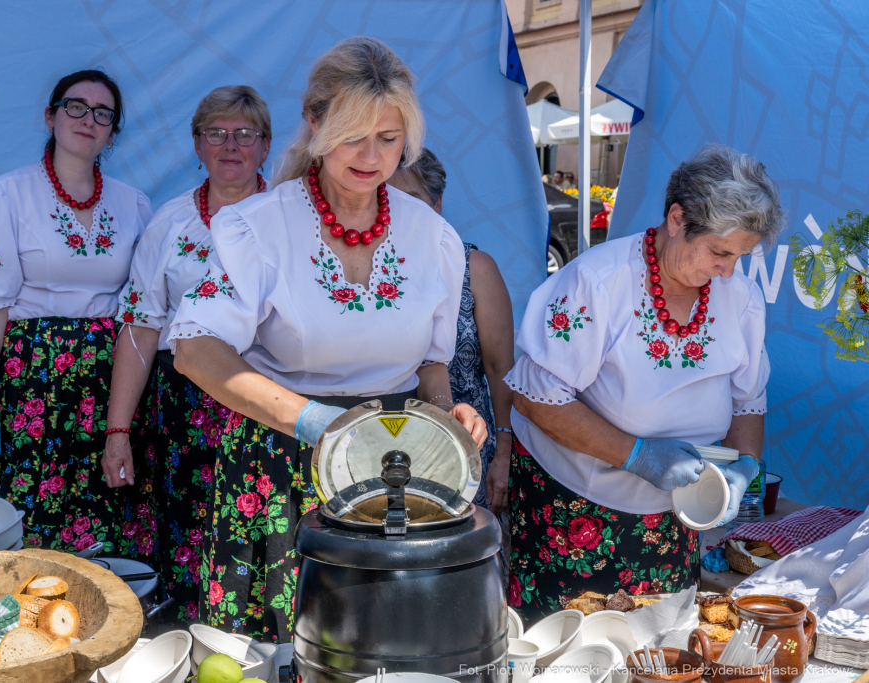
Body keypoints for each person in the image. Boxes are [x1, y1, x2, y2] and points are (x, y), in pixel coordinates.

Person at [167, 37, 487, 641]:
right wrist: (314, 421)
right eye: (352, 136)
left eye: (388, 139)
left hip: (392, 467)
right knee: (274, 649)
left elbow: (431, 366)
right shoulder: (259, 227)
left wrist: (447, 421)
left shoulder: (431, 236)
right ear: (314, 123)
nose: (371, 156)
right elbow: (194, 349)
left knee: (381, 646)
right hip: (279, 462)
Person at [505, 144, 782, 621]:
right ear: (677, 218)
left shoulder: (740, 299)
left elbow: (748, 401)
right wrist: (637, 455)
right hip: (573, 509)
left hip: (675, 517)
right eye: (720, 252)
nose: (728, 270)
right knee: (566, 644)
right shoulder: (598, 282)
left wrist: (745, 465)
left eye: (740, 256)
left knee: (660, 644)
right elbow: (537, 397)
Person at [0, 70, 152, 552]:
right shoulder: (8, 195)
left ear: (112, 132)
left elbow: (141, 312)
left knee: (101, 520)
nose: (88, 119)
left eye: (103, 113)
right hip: (31, 377)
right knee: (22, 521)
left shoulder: (133, 205)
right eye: (76, 106)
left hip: (108, 381)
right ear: (50, 117)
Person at [101, 86, 271, 624]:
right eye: (216, 133)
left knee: (267, 536)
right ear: (197, 145)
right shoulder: (170, 223)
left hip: (270, 402)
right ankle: (189, 644)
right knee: (188, 541)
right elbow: (140, 327)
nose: (230, 145)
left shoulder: (290, 219)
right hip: (185, 410)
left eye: (244, 133)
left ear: (266, 146)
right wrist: (118, 431)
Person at [389, 148, 516, 516]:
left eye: (412, 198)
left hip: (466, 447)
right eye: (388, 199)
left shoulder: (474, 268)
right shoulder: (361, 271)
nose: (400, 211)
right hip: (385, 446)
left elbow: (501, 370)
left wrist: (504, 453)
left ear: (437, 203)